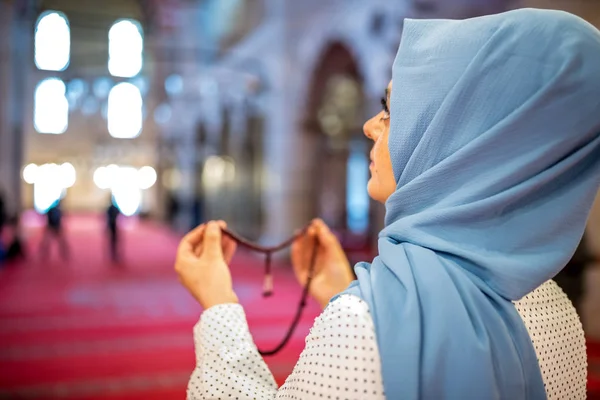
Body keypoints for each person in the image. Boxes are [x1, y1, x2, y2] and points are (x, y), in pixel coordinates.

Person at [175, 9, 600, 400]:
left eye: (390, 109)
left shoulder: (361, 325)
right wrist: (345, 294)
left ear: (454, 134)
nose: (368, 126)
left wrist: (218, 306)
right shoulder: (556, 312)